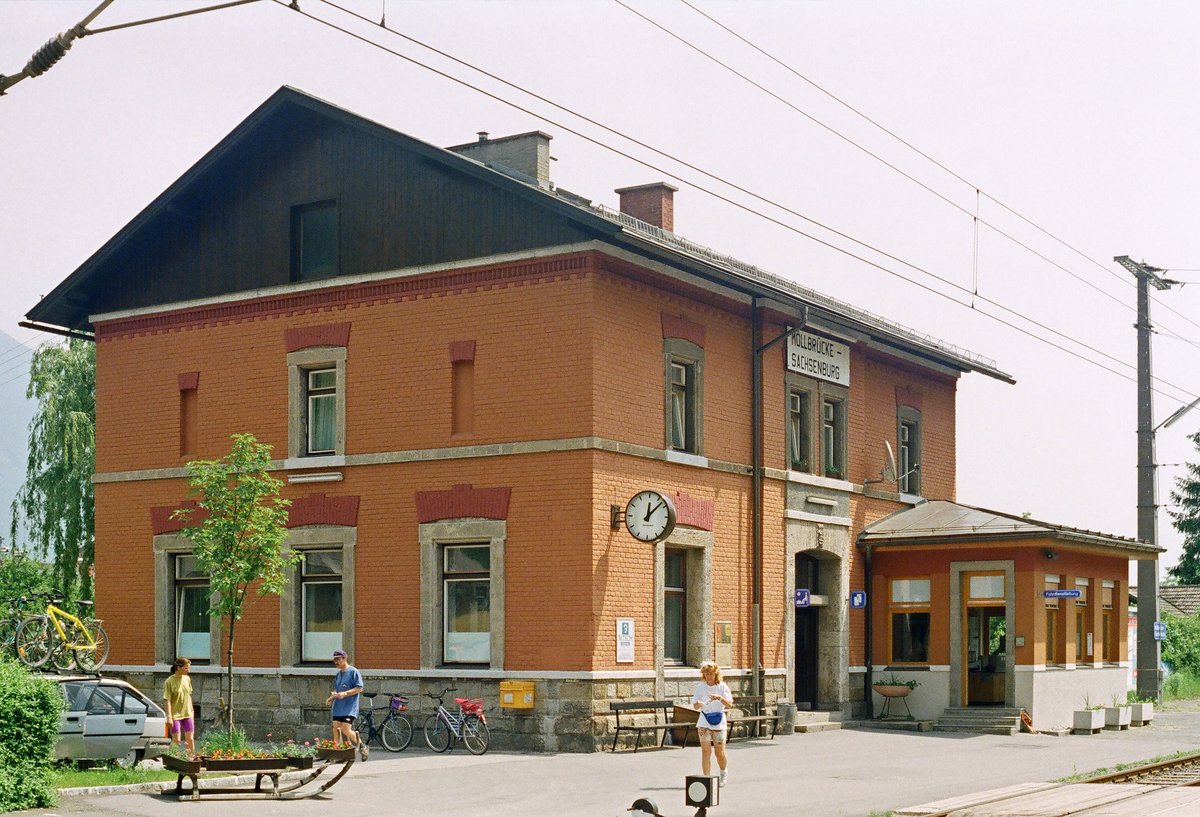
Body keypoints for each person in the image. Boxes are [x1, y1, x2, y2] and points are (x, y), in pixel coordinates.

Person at [691, 659, 732, 785]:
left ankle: (723, 772)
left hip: (719, 721)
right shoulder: (700, 687)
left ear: (716, 674)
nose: (708, 676)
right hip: (704, 721)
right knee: (705, 751)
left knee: (719, 752)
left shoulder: (722, 686)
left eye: (711, 673)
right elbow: (695, 706)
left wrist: (720, 698)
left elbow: (729, 705)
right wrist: (697, 704)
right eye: (706, 674)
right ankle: (706, 779)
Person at [325, 649, 368, 760]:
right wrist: (331, 697)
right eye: (334, 660)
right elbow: (338, 689)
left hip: (350, 707)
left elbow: (359, 688)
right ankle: (337, 752)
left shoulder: (353, 672)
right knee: (335, 727)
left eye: (338, 659)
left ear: (345, 658)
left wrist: (345, 693)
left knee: (345, 729)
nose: (336, 662)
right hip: (338, 706)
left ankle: (363, 747)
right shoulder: (338, 674)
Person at [163, 657, 195, 756]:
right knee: (176, 740)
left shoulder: (187, 679)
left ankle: (190, 759)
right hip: (175, 716)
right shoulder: (169, 681)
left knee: (190, 739)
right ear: (178, 667)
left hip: (187, 714)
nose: (188, 670)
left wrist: (192, 712)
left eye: (188, 668)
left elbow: (188, 696)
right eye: (186, 668)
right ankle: (173, 760)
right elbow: (167, 700)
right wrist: (169, 717)